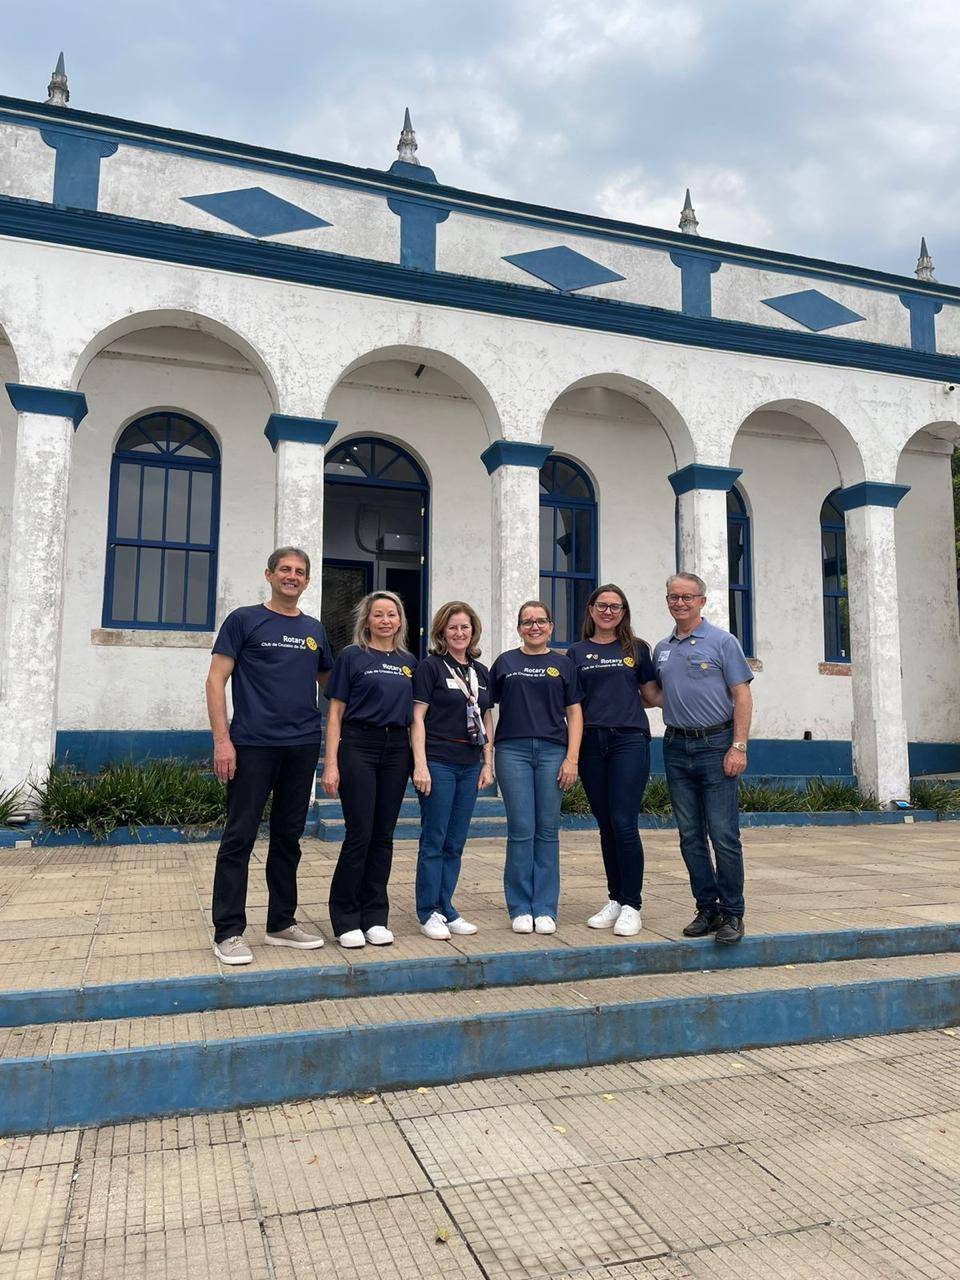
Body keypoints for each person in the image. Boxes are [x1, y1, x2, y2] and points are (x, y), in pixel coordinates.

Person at [206, 546, 332, 965]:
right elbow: (215, 681)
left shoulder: (315, 629)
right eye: (285, 570)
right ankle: (228, 932)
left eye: (299, 571)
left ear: (307, 581)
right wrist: (223, 742)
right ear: (269, 574)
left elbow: (330, 685)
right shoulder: (244, 620)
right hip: (252, 744)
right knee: (239, 837)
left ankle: (281, 922)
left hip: (301, 746)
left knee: (288, 838)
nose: (292, 576)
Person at [654, 572, 753, 945]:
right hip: (676, 746)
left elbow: (741, 696)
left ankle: (732, 913)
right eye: (673, 597)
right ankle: (706, 908)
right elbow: (657, 694)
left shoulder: (723, 642)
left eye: (687, 597)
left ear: (702, 601)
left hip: (716, 745)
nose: (680, 603)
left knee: (724, 835)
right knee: (690, 836)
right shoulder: (662, 648)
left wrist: (738, 746)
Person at [322, 591, 417, 948]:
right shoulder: (351, 657)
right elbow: (335, 712)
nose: (385, 620)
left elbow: (416, 717)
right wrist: (331, 763)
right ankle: (346, 917)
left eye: (391, 614)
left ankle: (376, 916)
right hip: (358, 745)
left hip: (397, 750)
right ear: (367, 620)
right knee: (359, 833)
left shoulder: (410, 661)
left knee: (384, 835)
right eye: (378, 614)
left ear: (399, 620)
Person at [567, 584, 660, 937]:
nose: (608, 612)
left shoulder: (637, 649)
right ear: (590, 610)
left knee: (624, 822)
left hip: (628, 740)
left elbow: (651, 696)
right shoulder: (575, 652)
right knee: (605, 823)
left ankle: (632, 904)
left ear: (624, 612)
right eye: (602, 605)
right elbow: (571, 704)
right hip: (591, 743)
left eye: (616, 607)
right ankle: (616, 899)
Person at [489, 600, 582, 934]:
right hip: (512, 751)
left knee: (547, 830)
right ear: (519, 628)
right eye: (527, 622)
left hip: (552, 752)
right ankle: (519, 906)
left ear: (550, 626)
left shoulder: (564, 665)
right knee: (521, 829)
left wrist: (572, 758)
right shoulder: (504, 663)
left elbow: (574, 713)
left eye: (540, 621)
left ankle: (544, 907)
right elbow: (485, 707)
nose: (534, 627)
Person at [411, 602, 494, 940]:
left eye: (465, 627)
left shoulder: (481, 671)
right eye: (452, 627)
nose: (459, 633)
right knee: (435, 838)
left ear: (472, 630)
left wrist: (488, 762)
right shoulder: (430, 667)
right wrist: (420, 764)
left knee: (455, 841)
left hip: (469, 763)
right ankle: (428, 910)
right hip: (438, 762)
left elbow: (486, 716)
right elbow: (416, 718)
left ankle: (447, 907)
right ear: (441, 632)